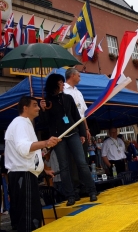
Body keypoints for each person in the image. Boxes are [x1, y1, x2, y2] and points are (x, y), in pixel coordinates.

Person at [40, 74, 97, 206]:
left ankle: (92, 190)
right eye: (60, 82)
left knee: (81, 162)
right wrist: (43, 110)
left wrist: (82, 133)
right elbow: (44, 122)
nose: (62, 84)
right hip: (58, 138)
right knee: (64, 167)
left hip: (73, 133)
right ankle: (70, 195)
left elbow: (77, 117)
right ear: (54, 84)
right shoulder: (47, 101)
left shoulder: (68, 98)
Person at [5, 96, 61, 231]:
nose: (38, 108)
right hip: (23, 176)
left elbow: (27, 155)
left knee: (26, 216)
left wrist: (43, 170)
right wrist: (45, 143)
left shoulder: (23, 123)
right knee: (30, 217)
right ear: (25, 108)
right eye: (35, 105)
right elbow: (23, 148)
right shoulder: (21, 123)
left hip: (23, 175)